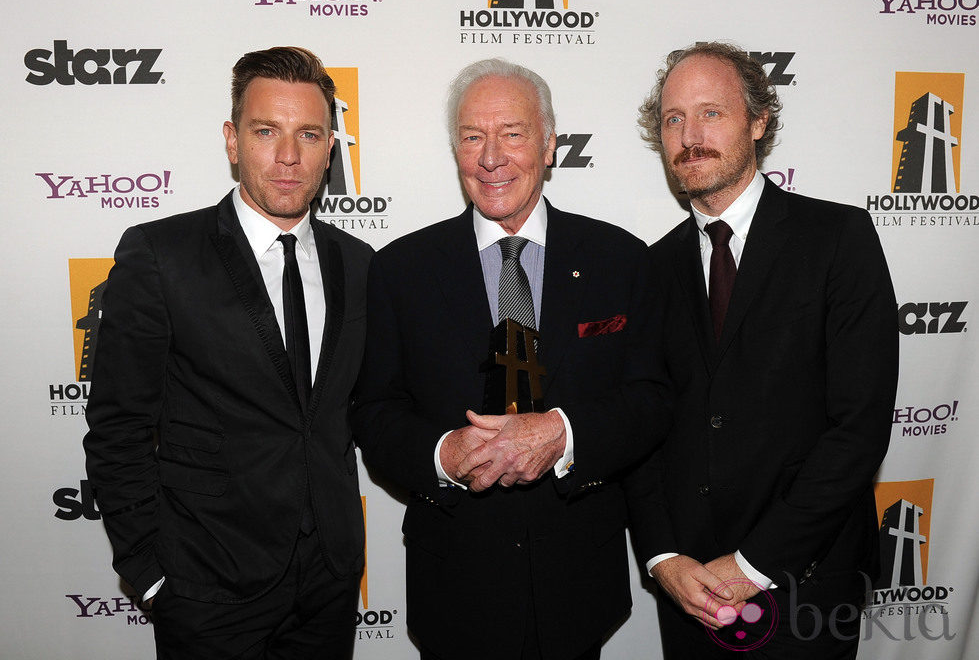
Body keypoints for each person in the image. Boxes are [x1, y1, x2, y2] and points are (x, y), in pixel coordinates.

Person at [352, 58, 669, 660]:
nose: (491, 157)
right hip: (454, 582)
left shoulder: (620, 260)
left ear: (550, 145)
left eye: (512, 134)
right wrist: (443, 454)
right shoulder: (400, 271)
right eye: (473, 136)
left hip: (580, 580)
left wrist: (562, 432)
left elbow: (650, 399)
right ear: (456, 148)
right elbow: (374, 411)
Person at [83, 46, 372, 659]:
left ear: (330, 148)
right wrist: (151, 570)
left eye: (309, 134)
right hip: (205, 585)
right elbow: (118, 427)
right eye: (266, 131)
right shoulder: (161, 255)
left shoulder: (361, 265)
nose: (289, 156)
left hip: (329, 582)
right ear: (232, 139)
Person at [626, 41, 899, 658]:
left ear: (758, 120)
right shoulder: (652, 267)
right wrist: (664, 556)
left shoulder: (838, 239)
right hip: (691, 591)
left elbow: (858, 429)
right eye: (673, 119)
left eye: (710, 113)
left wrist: (752, 563)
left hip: (808, 581)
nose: (689, 136)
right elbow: (640, 427)